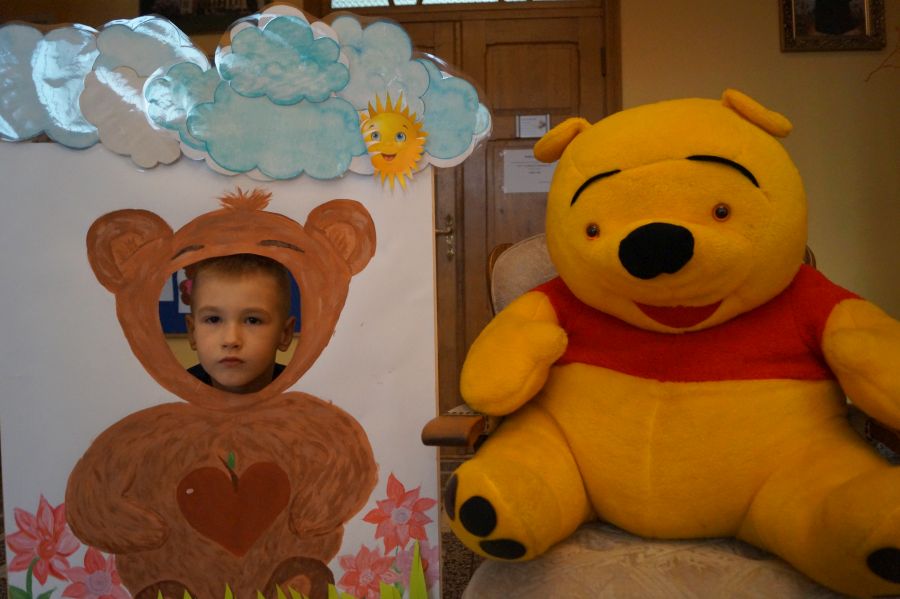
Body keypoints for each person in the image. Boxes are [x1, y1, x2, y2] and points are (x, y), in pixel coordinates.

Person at [183, 253, 296, 394]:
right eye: (213, 319)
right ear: (192, 332)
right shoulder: (170, 396)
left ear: (285, 334)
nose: (231, 340)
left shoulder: (308, 394)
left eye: (252, 320)